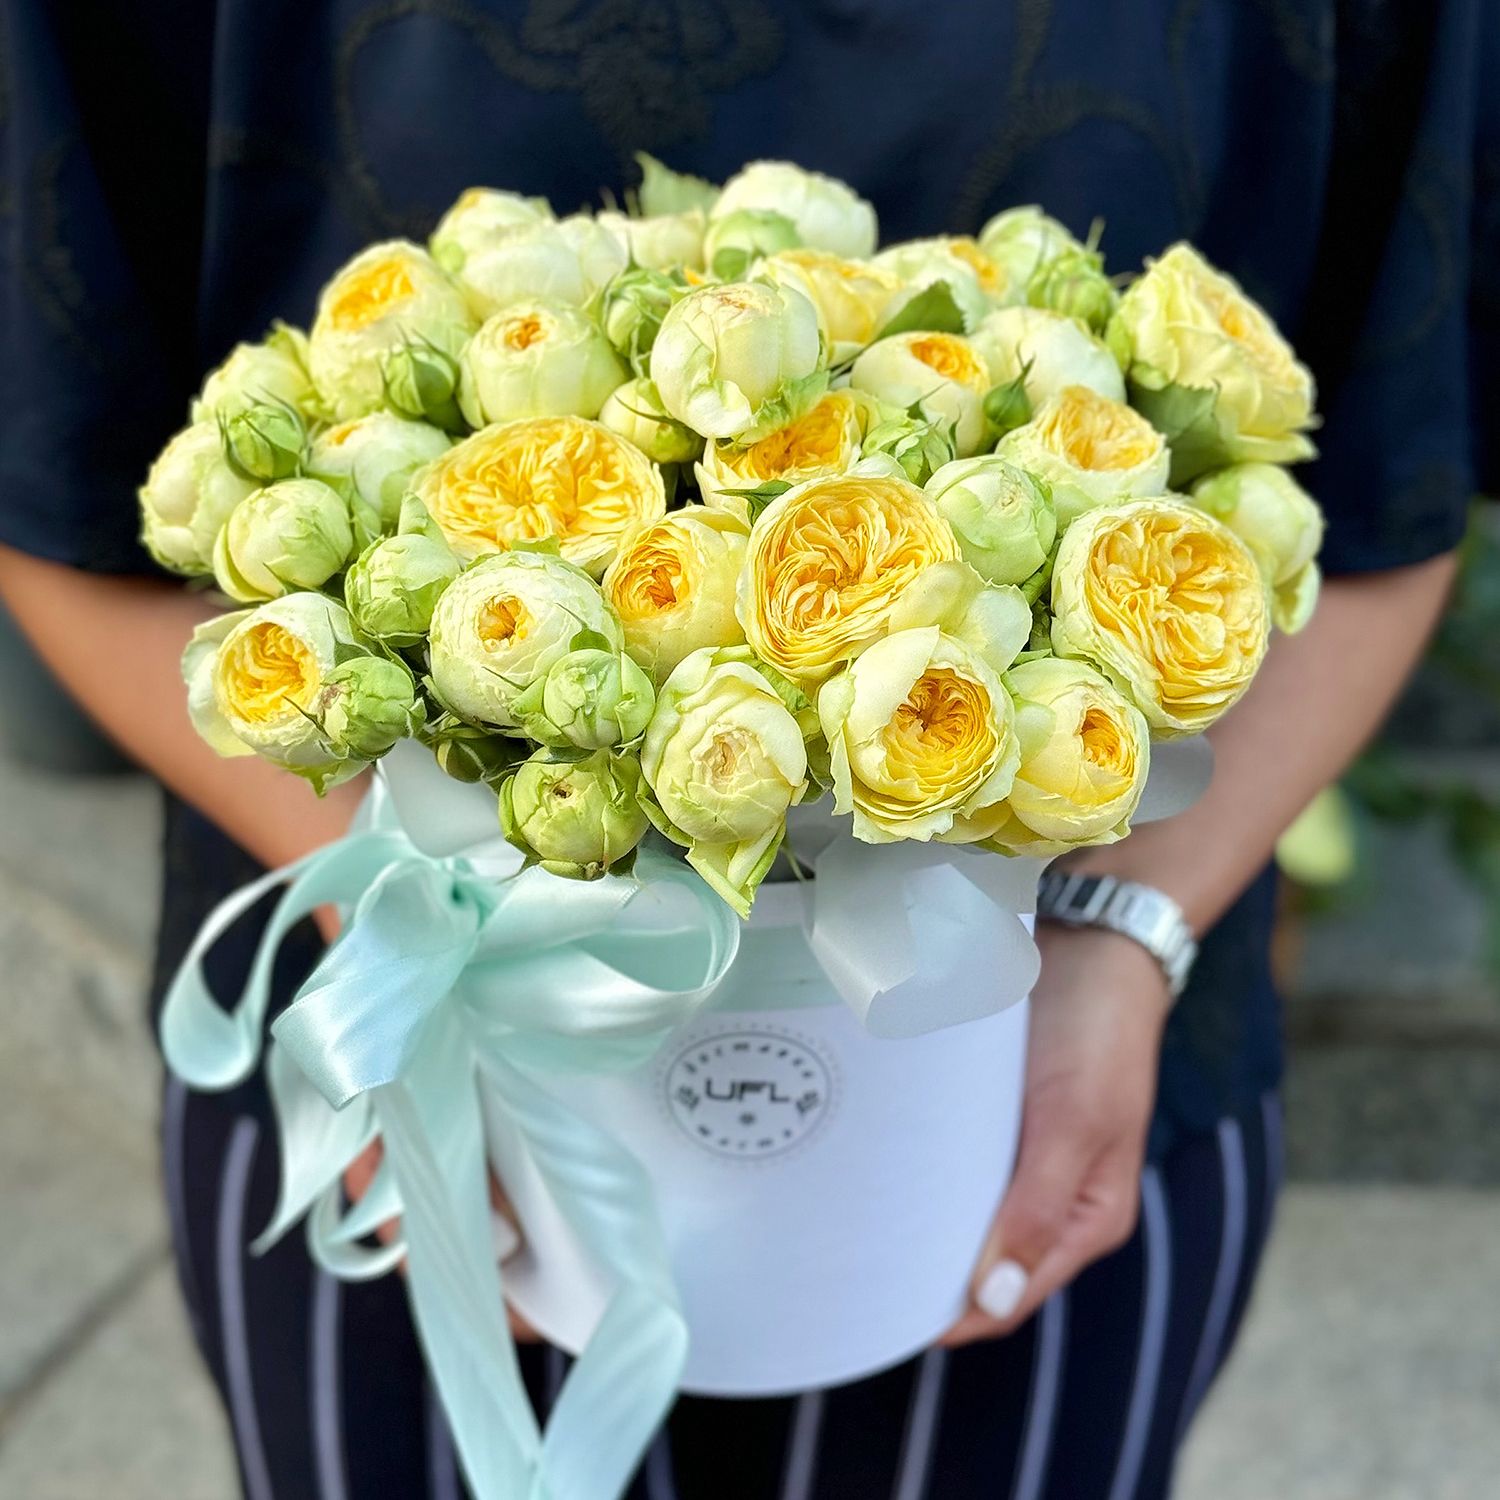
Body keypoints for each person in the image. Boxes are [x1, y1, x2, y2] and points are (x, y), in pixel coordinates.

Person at [1, 2, 1493, 1496]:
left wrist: (1124, 932)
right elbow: (49, 455)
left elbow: (1394, 464)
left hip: (1060, 1072)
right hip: (406, 1072)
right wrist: (415, 942)